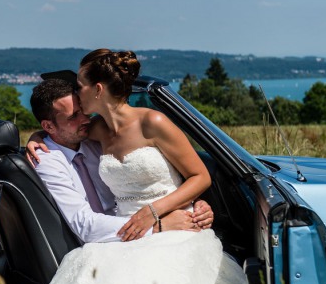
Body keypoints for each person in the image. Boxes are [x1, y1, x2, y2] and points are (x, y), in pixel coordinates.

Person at [7, 49, 260, 284]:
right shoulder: (94, 129)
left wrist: (159, 213)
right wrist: (36, 139)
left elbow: (199, 176)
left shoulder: (151, 122)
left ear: (97, 89)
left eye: (79, 86)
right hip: (130, 231)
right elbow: (59, 134)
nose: (78, 98)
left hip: (173, 226)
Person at [27, 77, 214, 243]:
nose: (86, 119)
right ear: (48, 126)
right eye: (74, 116)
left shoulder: (95, 137)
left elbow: (147, 178)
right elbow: (84, 225)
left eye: (82, 110)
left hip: (150, 224)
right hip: (106, 242)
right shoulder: (46, 161)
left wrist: (193, 203)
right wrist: (157, 226)